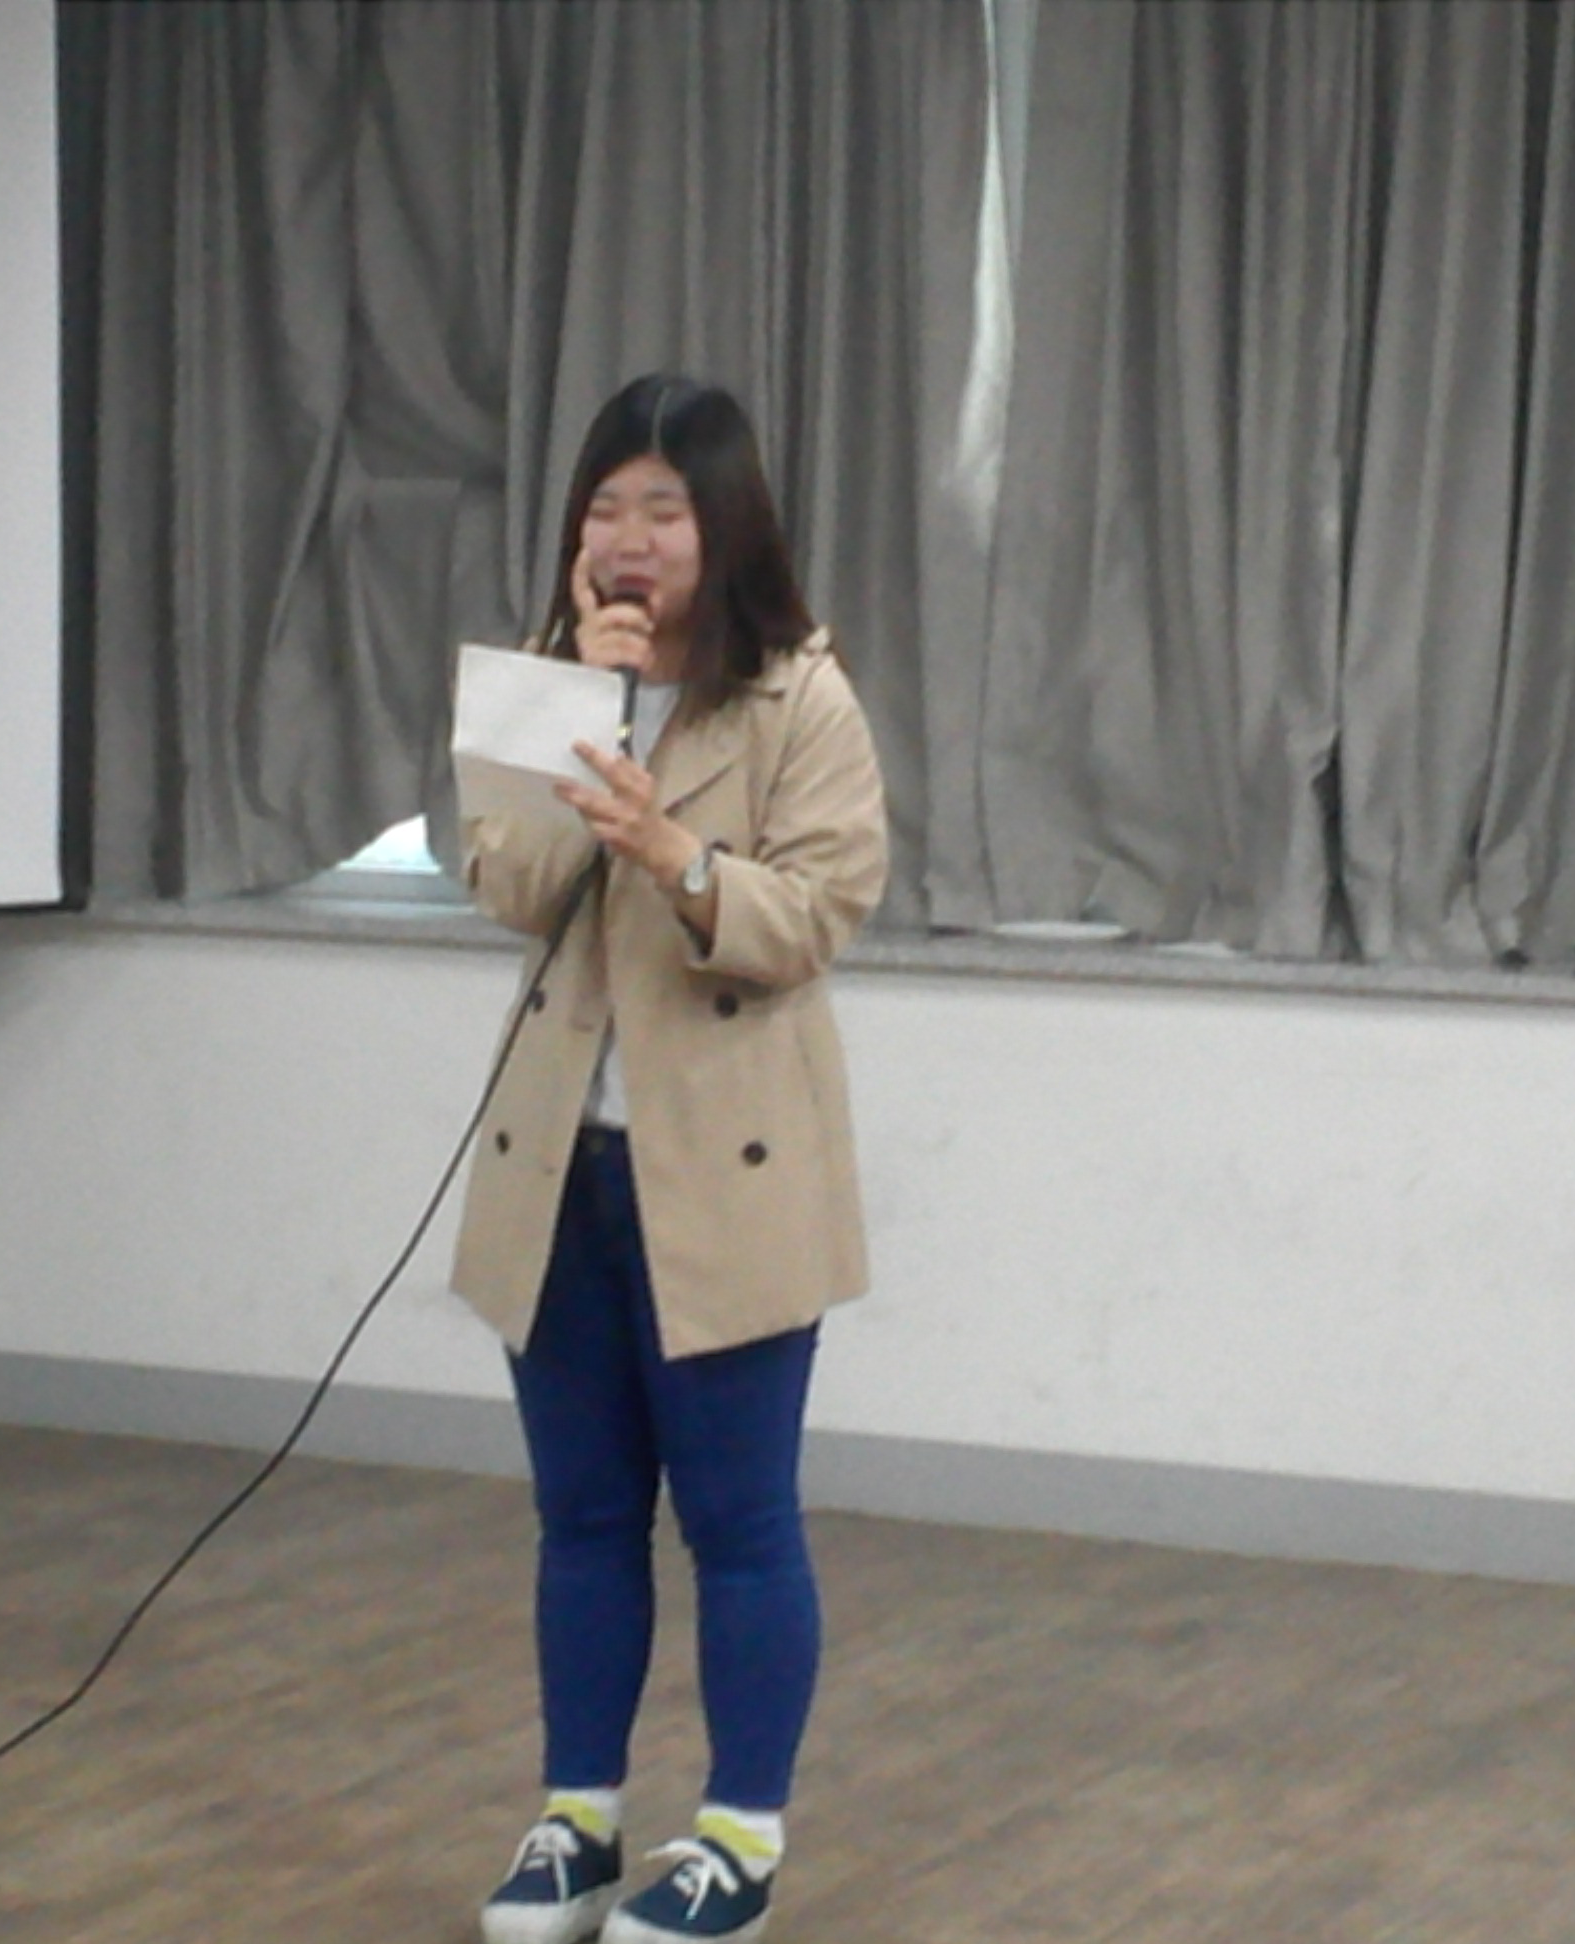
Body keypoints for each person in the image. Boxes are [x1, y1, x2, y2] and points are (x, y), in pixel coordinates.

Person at [451, 374, 888, 1944]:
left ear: (727, 527)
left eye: (664, 509)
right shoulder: (543, 681)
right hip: (562, 1164)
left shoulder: (802, 697)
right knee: (580, 1516)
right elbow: (507, 883)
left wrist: (676, 855)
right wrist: (590, 705)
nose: (629, 539)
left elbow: (819, 915)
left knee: (738, 1522)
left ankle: (739, 1845)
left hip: (727, 1171)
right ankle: (577, 1820)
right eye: (606, 508)